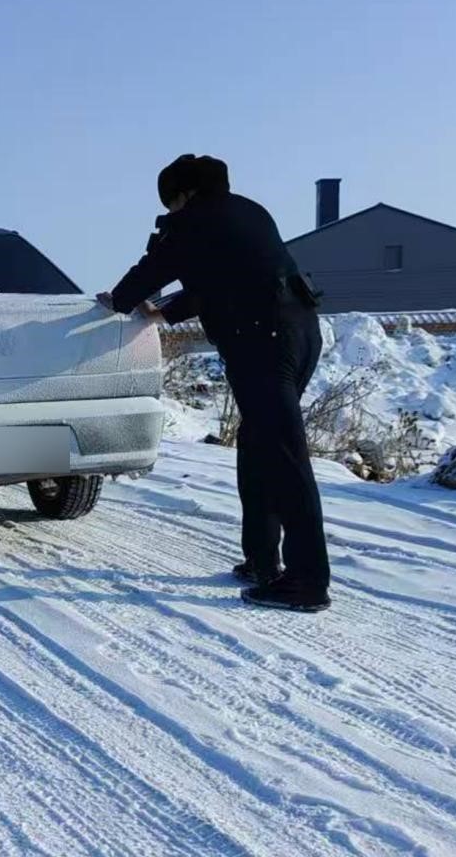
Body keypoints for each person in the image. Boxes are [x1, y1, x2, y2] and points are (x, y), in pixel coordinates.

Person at [99, 155, 331, 612]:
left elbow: (154, 268)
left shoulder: (195, 221)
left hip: (264, 341)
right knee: (261, 443)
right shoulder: (248, 212)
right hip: (300, 331)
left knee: (284, 455)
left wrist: (119, 300)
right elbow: (218, 280)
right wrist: (164, 311)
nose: (171, 210)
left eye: (171, 201)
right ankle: (262, 559)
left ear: (184, 194)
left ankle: (307, 581)